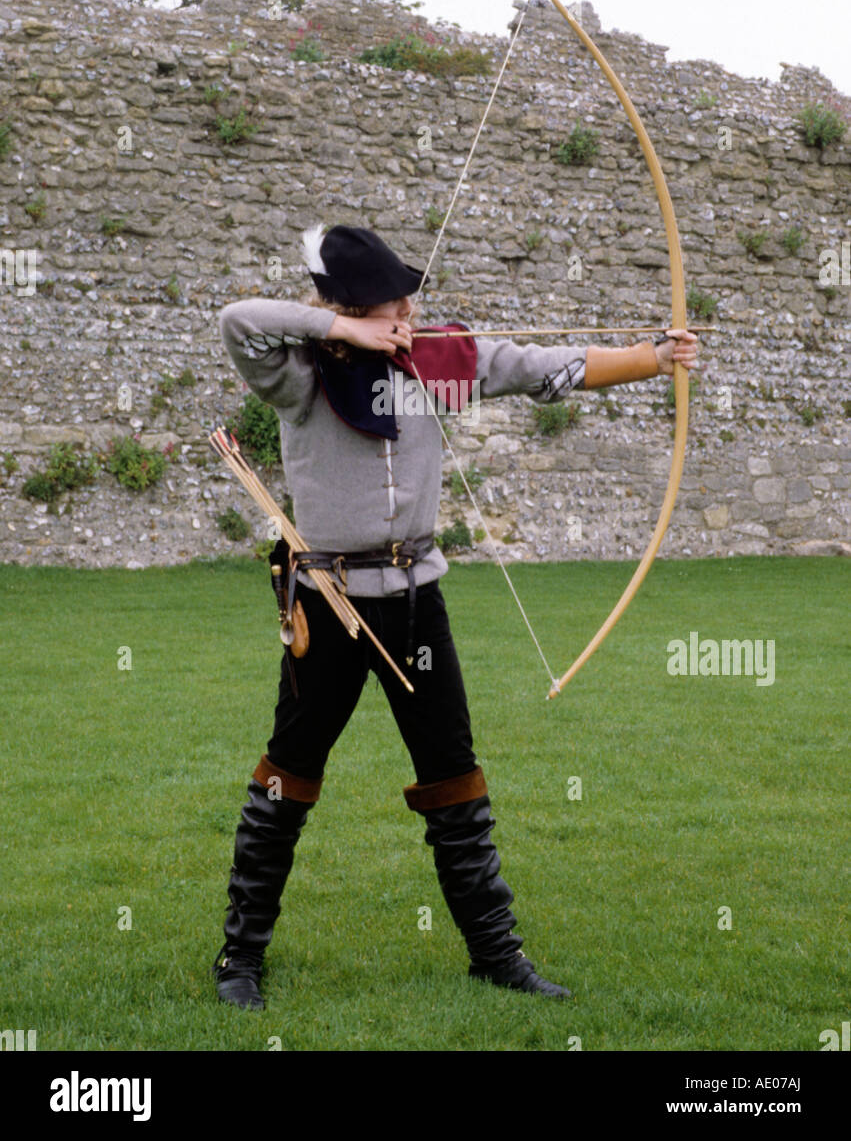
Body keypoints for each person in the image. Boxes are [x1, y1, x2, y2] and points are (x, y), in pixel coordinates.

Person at [213, 223, 699, 1009]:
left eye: (405, 295)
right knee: (287, 777)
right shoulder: (296, 374)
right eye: (387, 301)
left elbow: (543, 367)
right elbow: (238, 318)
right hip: (330, 606)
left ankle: (495, 955)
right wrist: (342, 330)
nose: (407, 307)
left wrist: (653, 358)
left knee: (454, 781)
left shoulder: (432, 362)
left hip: (414, 603)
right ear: (347, 306)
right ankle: (239, 959)